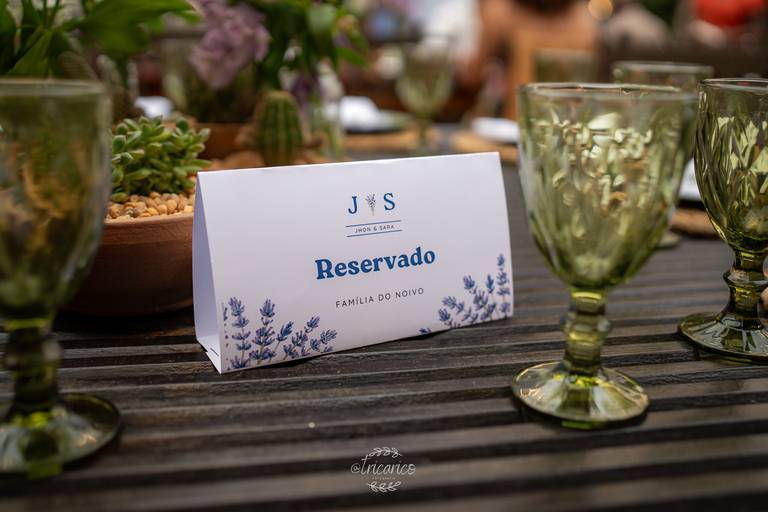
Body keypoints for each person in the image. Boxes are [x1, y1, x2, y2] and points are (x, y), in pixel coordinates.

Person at [459, 0, 598, 117]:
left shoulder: (502, 11)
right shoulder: (584, 19)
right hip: (568, 124)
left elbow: (472, 76)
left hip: (516, 122)